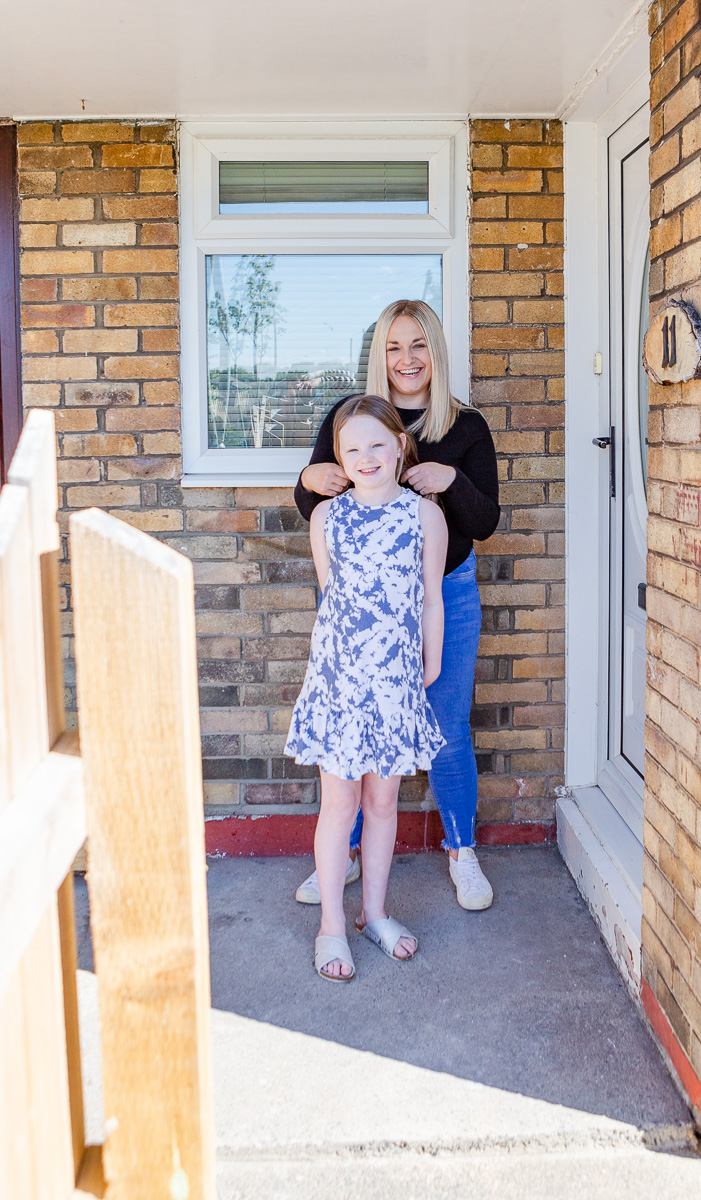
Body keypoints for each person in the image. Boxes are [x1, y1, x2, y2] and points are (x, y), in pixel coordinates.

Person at [293, 299, 500, 911]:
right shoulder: (351, 417)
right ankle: (345, 856)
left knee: (446, 727)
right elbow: (320, 504)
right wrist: (306, 481)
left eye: (418, 346)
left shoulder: (466, 428)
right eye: (393, 346)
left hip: (446, 595)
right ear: (379, 354)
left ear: (435, 352)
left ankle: (462, 851)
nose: (406, 359)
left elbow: (485, 520)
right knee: (355, 737)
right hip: (365, 611)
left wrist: (450, 481)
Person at [284, 394, 448, 981]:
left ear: (400, 445)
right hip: (340, 686)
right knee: (340, 804)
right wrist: (339, 674)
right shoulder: (326, 518)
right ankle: (332, 924)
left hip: (397, 684)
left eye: (378, 443)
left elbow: (431, 597)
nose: (366, 456)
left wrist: (428, 664)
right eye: (351, 448)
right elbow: (333, 600)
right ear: (338, 457)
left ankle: (374, 914)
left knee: (383, 803)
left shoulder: (425, 516)